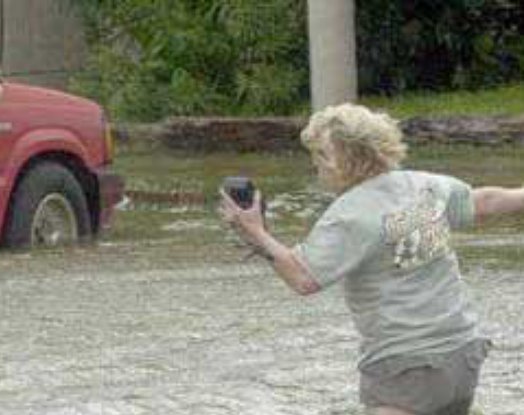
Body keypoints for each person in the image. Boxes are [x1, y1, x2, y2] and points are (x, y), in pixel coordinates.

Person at [218, 103, 524, 415]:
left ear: (342, 160)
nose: (316, 166)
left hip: (406, 366)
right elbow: (485, 202)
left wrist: (255, 231)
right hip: (462, 354)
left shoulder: (349, 214)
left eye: (319, 156)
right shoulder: (425, 185)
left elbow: (303, 278)